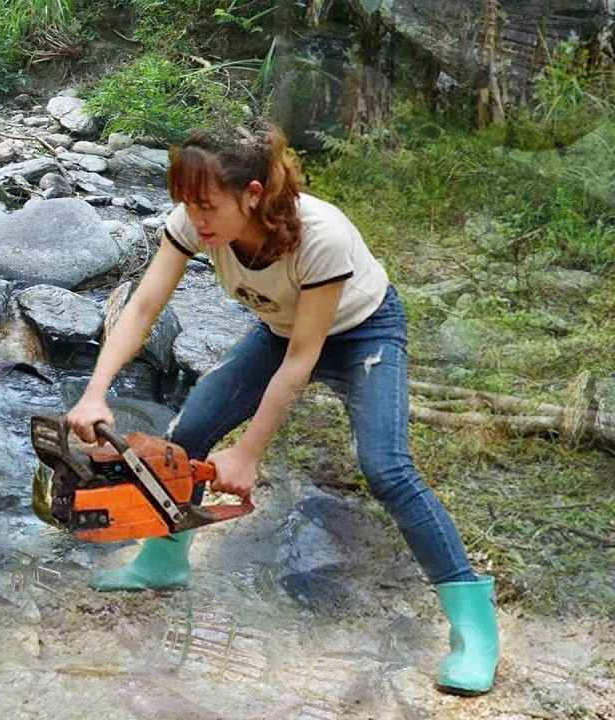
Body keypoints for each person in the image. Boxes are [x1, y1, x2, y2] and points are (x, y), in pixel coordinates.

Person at [64, 123, 499, 696]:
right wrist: (95, 392)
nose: (196, 218)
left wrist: (247, 453)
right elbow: (144, 305)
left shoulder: (322, 236)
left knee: (387, 467)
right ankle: (165, 560)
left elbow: (302, 359)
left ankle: (473, 623)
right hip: (280, 329)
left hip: (363, 332)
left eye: (207, 204)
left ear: (251, 194)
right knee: (189, 431)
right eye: (186, 203)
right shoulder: (192, 223)